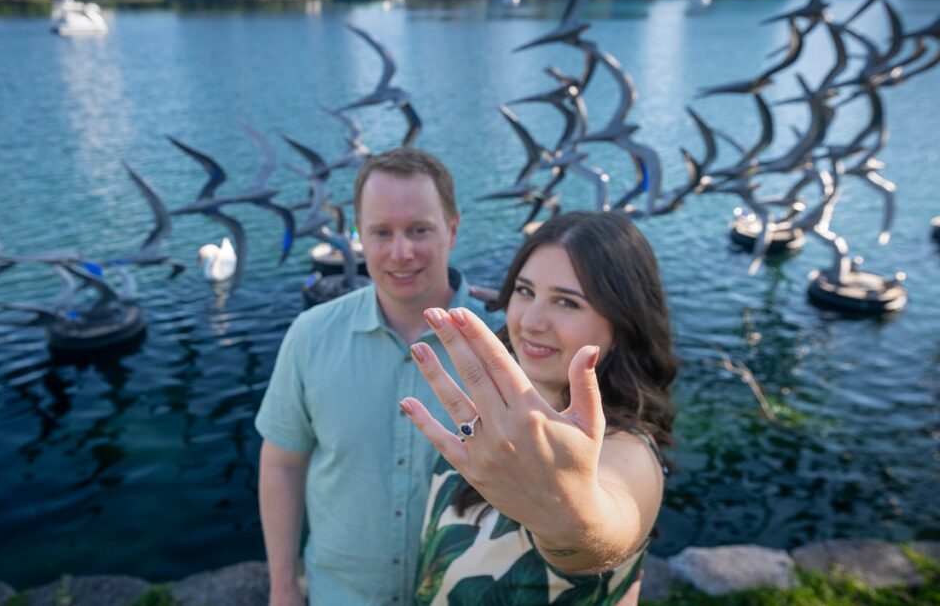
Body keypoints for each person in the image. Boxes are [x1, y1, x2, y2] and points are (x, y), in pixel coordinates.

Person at [401, 211, 678, 605]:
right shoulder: (489, 414)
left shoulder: (626, 451)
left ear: (623, 323)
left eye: (567, 302)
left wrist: (569, 516)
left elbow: (609, 523)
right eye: (525, 291)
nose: (531, 321)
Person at [255, 148, 492, 606]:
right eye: (382, 233)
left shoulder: (501, 344)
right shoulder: (309, 337)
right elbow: (283, 465)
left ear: (453, 229)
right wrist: (283, 586)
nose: (400, 253)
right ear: (360, 235)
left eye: (419, 230)